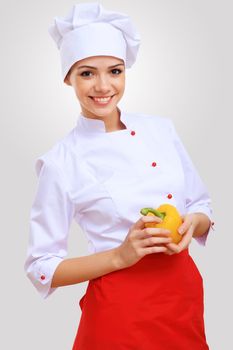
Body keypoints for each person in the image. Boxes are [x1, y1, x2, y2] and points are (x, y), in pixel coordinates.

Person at [24, 2, 214, 349]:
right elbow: (42, 266)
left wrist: (193, 223)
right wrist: (120, 256)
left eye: (114, 71)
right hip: (120, 309)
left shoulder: (161, 129)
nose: (103, 86)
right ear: (68, 77)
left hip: (183, 297)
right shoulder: (61, 162)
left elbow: (201, 204)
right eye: (86, 73)